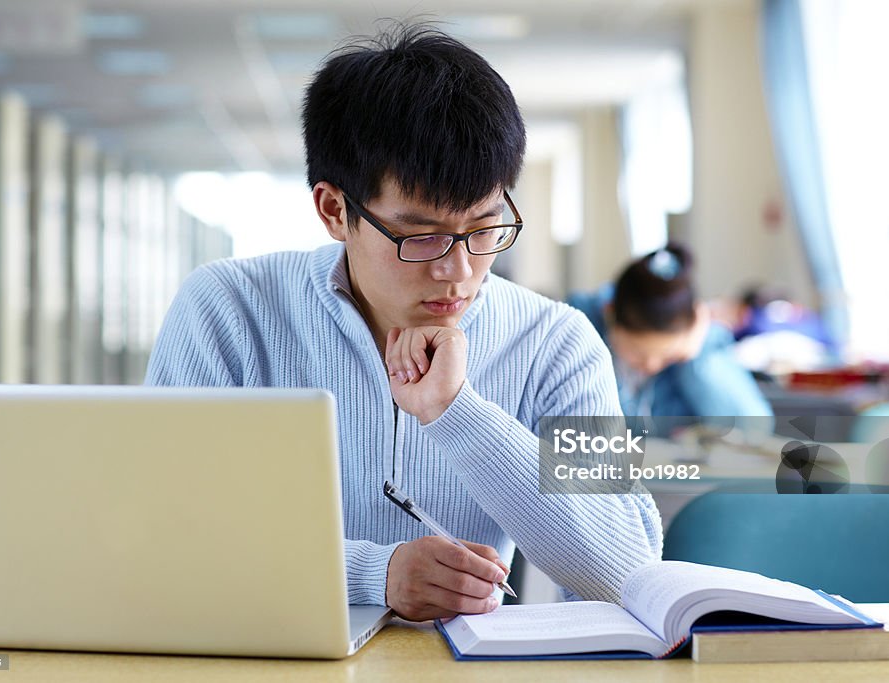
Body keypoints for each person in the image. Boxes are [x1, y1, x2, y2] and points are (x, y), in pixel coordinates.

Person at [145, 25, 661, 622]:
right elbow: (164, 535)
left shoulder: (554, 343)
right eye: (422, 236)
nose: (459, 271)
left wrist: (459, 412)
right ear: (335, 210)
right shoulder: (227, 310)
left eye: (484, 227)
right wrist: (371, 574)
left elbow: (626, 570)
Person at [569, 243, 772, 418]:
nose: (652, 366)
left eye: (668, 357)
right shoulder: (575, 335)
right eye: (638, 355)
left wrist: (696, 354)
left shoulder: (701, 345)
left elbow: (751, 426)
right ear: (609, 314)